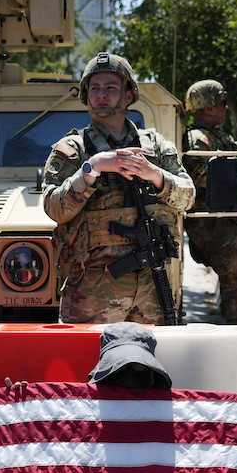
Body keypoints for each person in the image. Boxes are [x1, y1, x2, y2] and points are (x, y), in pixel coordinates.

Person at [42, 52, 195, 324]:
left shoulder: (156, 148)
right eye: (95, 88)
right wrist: (93, 167)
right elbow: (55, 208)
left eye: (111, 88)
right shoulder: (73, 151)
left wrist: (154, 174)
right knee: (87, 361)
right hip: (93, 289)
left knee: (152, 362)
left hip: (152, 284)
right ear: (86, 96)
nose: (101, 94)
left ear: (128, 96)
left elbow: (188, 197)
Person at [180, 79, 237, 325]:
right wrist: (234, 171)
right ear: (209, 106)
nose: (226, 107)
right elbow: (197, 174)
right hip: (213, 221)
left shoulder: (216, 136)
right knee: (235, 278)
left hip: (223, 218)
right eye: (222, 102)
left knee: (235, 275)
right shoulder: (198, 138)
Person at [87, 321, 173, 389]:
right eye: (118, 369)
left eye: (139, 366)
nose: (129, 378)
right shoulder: (82, 406)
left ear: (153, 374)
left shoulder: (173, 407)